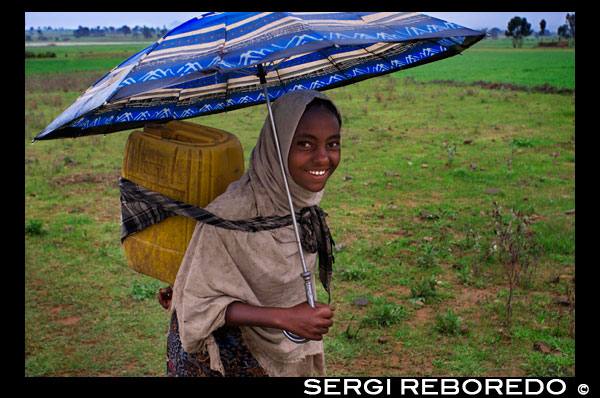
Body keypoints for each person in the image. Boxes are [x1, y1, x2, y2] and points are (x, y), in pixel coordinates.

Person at [162, 89, 342, 377]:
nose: (323, 158)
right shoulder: (229, 216)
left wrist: (295, 319)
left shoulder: (299, 205)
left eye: (332, 144)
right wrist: (285, 317)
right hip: (224, 358)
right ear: (277, 146)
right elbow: (200, 305)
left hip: (285, 348)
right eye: (305, 144)